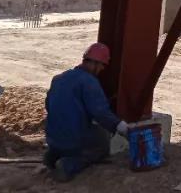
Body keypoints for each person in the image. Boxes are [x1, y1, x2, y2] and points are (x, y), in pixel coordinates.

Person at [43, 42, 129, 182]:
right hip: (73, 140)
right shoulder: (89, 82)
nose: (102, 69)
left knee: (71, 135)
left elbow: (49, 105)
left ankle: (52, 156)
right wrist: (120, 126)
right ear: (95, 63)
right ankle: (68, 165)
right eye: (102, 66)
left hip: (52, 138)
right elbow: (100, 113)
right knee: (102, 143)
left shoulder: (59, 78)